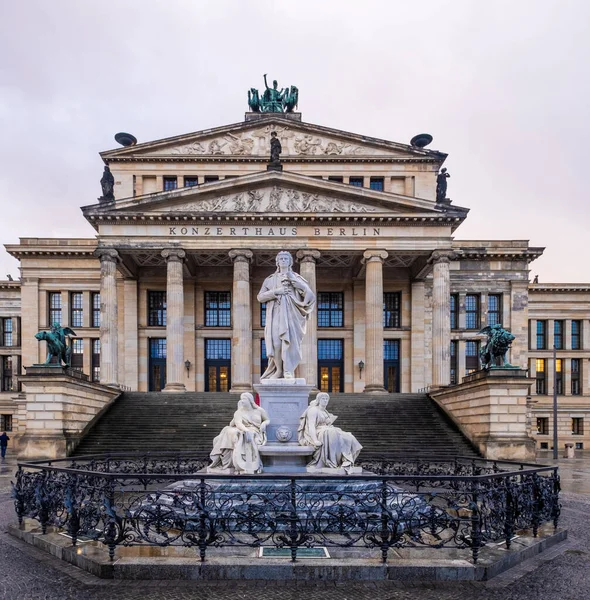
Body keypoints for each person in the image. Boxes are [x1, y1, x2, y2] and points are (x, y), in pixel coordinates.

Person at [257, 251, 315, 379]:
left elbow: (309, 295)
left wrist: (294, 281)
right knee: (276, 343)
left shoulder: (297, 277)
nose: (283, 260)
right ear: (277, 262)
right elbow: (260, 297)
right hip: (276, 314)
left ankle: (288, 370)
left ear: (290, 262)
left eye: (286, 258)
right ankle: (278, 370)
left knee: (290, 343)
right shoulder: (270, 280)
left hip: (292, 315)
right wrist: (276, 292)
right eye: (281, 258)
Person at [298, 393, 362, 472]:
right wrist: (315, 440)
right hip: (317, 432)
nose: (325, 401)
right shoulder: (313, 410)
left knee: (348, 436)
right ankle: (332, 462)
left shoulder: (325, 412)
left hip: (327, 429)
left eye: (326, 399)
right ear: (318, 400)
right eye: (323, 399)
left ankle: (346, 460)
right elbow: (311, 426)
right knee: (331, 432)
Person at [208, 393, 269, 474]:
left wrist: (264, 423)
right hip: (243, 429)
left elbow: (267, 419)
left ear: (250, 400)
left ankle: (247, 464)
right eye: (241, 399)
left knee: (240, 434)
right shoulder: (239, 412)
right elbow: (238, 423)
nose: (242, 401)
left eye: (244, 399)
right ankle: (228, 463)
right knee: (233, 432)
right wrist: (246, 430)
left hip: (255, 431)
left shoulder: (259, 410)